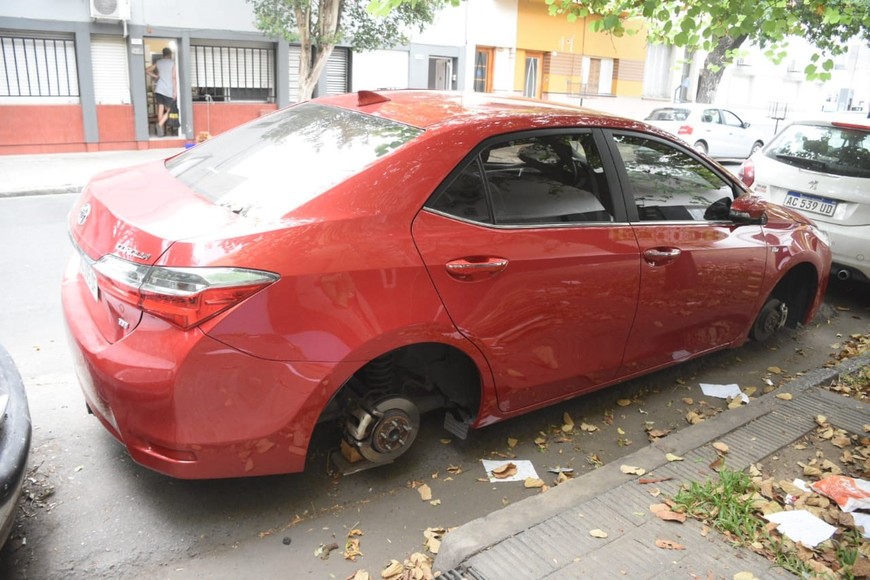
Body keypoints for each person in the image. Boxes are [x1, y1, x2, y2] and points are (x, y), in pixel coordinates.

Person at [146, 48, 177, 137]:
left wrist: (156, 76)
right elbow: (174, 77)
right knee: (171, 109)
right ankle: (160, 125)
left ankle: (161, 132)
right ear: (170, 54)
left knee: (160, 108)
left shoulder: (158, 62)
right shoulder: (173, 63)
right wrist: (175, 91)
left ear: (163, 54)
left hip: (159, 89)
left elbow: (147, 70)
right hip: (168, 89)